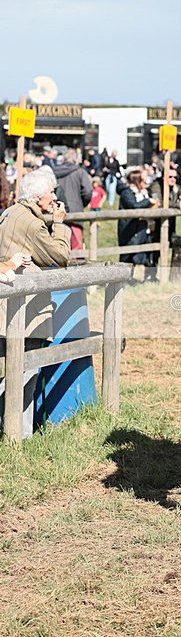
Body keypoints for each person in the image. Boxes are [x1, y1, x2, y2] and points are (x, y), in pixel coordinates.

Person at [0, 170, 71, 437]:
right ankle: (20, 435)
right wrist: (60, 225)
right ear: (38, 196)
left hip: (7, 305)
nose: (54, 197)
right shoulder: (32, 223)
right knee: (25, 370)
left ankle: (13, 432)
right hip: (25, 308)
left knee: (8, 369)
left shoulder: (11, 212)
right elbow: (60, 255)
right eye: (51, 192)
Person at [117, 167, 160, 273]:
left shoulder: (144, 192)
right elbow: (135, 206)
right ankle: (122, 279)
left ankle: (148, 276)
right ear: (137, 180)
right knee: (127, 255)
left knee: (142, 252)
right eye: (143, 179)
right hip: (128, 229)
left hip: (141, 228)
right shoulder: (127, 193)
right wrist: (148, 201)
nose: (146, 181)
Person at [54, 149, 92, 250]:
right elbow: (88, 191)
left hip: (57, 210)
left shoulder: (54, 171)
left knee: (59, 243)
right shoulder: (80, 172)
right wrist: (81, 203)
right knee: (76, 247)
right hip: (75, 211)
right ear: (75, 160)